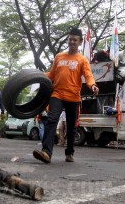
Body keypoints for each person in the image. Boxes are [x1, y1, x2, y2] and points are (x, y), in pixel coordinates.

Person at [33, 27, 99, 163]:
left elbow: (88, 76)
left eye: (75, 40)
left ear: (80, 42)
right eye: (70, 39)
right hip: (57, 94)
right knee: (51, 121)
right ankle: (46, 152)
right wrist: (37, 77)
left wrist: (93, 85)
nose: (72, 42)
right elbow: (51, 74)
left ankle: (69, 152)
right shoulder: (59, 56)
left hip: (73, 97)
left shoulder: (82, 60)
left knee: (71, 126)